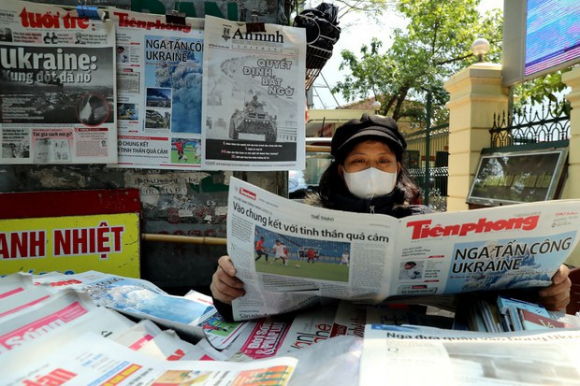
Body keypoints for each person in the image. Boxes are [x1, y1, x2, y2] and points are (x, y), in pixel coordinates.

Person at [210, 113, 571, 321]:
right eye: (359, 161)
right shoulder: (302, 216)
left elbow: (491, 298)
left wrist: (546, 293)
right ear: (341, 170)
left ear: (398, 167)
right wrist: (225, 294)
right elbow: (239, 305)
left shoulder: (425, 222)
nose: (372, 169)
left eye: (383, 160)